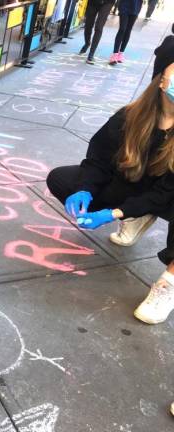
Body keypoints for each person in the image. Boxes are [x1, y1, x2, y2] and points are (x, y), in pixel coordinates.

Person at [46, 37, 174, 326]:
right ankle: (136, 215)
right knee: (62, 179)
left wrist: (114, 213)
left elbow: (166, 192)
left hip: (168, 195)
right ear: (162, 79)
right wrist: (84, 190)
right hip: (138, 186)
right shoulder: (131, 115)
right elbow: (99, 159)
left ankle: (169, 284)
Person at [80, 0, 116, 64]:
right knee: (88, 24)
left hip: (108, 2)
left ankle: (91, 54)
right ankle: (87, 43)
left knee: (99, 27)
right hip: (93, 2)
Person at [109, 0, 142, 65]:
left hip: (136, 6)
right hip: (124, 5)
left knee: (128, 30)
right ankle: (115, 54)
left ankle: (121, 53)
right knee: (122, 29)